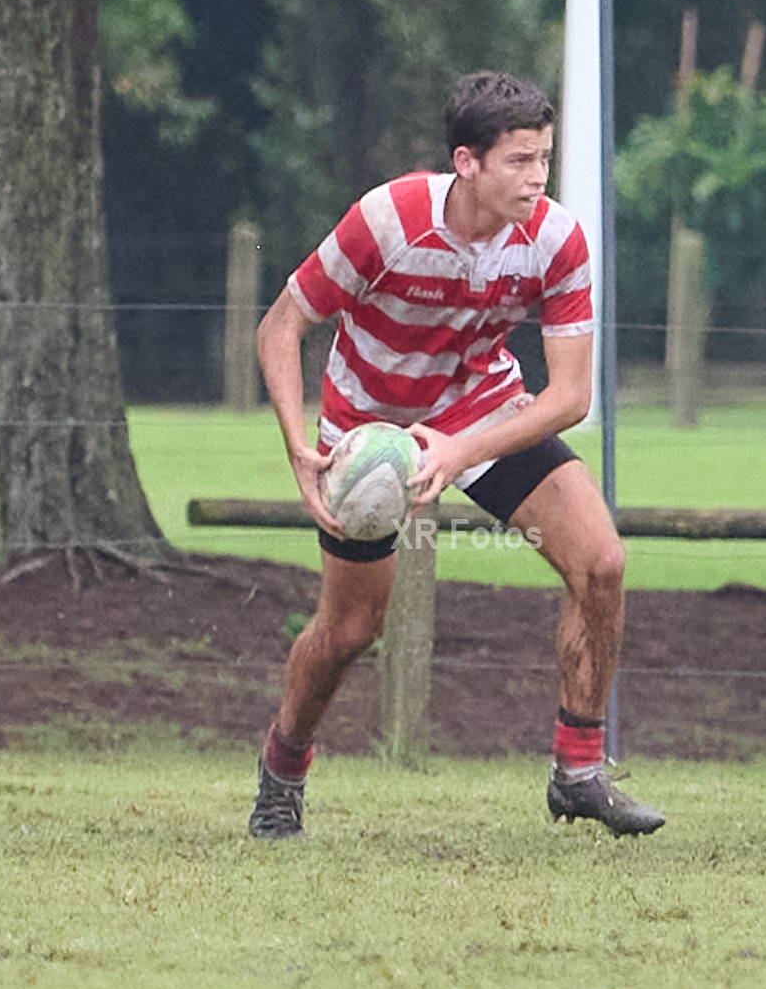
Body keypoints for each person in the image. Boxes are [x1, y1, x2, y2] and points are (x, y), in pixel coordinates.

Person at [248, 70, 664, 840]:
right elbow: (280, 326)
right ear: (465, 161)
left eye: (543, 158)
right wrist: (300, 448)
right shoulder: (388, 218)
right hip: (368, 428)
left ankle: (577, 771)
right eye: (518, 160)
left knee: (600, 561)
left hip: (480, 414)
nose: (536, 178)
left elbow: (568, 395)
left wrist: (460, 447)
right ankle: (282, 771)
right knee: (348, 631)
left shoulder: (554, 237)